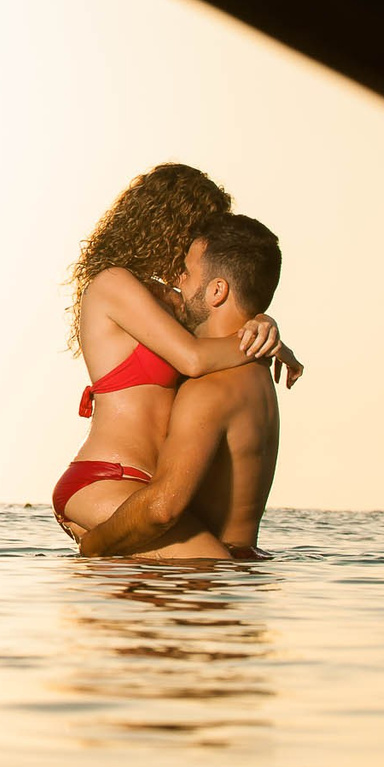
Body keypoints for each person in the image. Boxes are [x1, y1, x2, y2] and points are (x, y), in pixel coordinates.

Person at [53, 166, 297, 547]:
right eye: (198, 231)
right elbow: (194, 359)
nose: (202, 243)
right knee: (215, 563)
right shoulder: (112, 284)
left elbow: (222, 311)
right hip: (107, 479)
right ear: (168, 226)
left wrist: (262, 323)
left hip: (153, 492)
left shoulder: (171, 302)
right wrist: (266, 345)